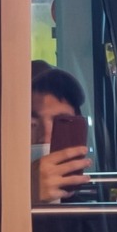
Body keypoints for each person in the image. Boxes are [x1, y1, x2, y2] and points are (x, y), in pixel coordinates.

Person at [30, 61, 93, 205]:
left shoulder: (92, 216)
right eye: (31, 123)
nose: (45, 137)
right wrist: (23, 198)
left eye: (61, 122)